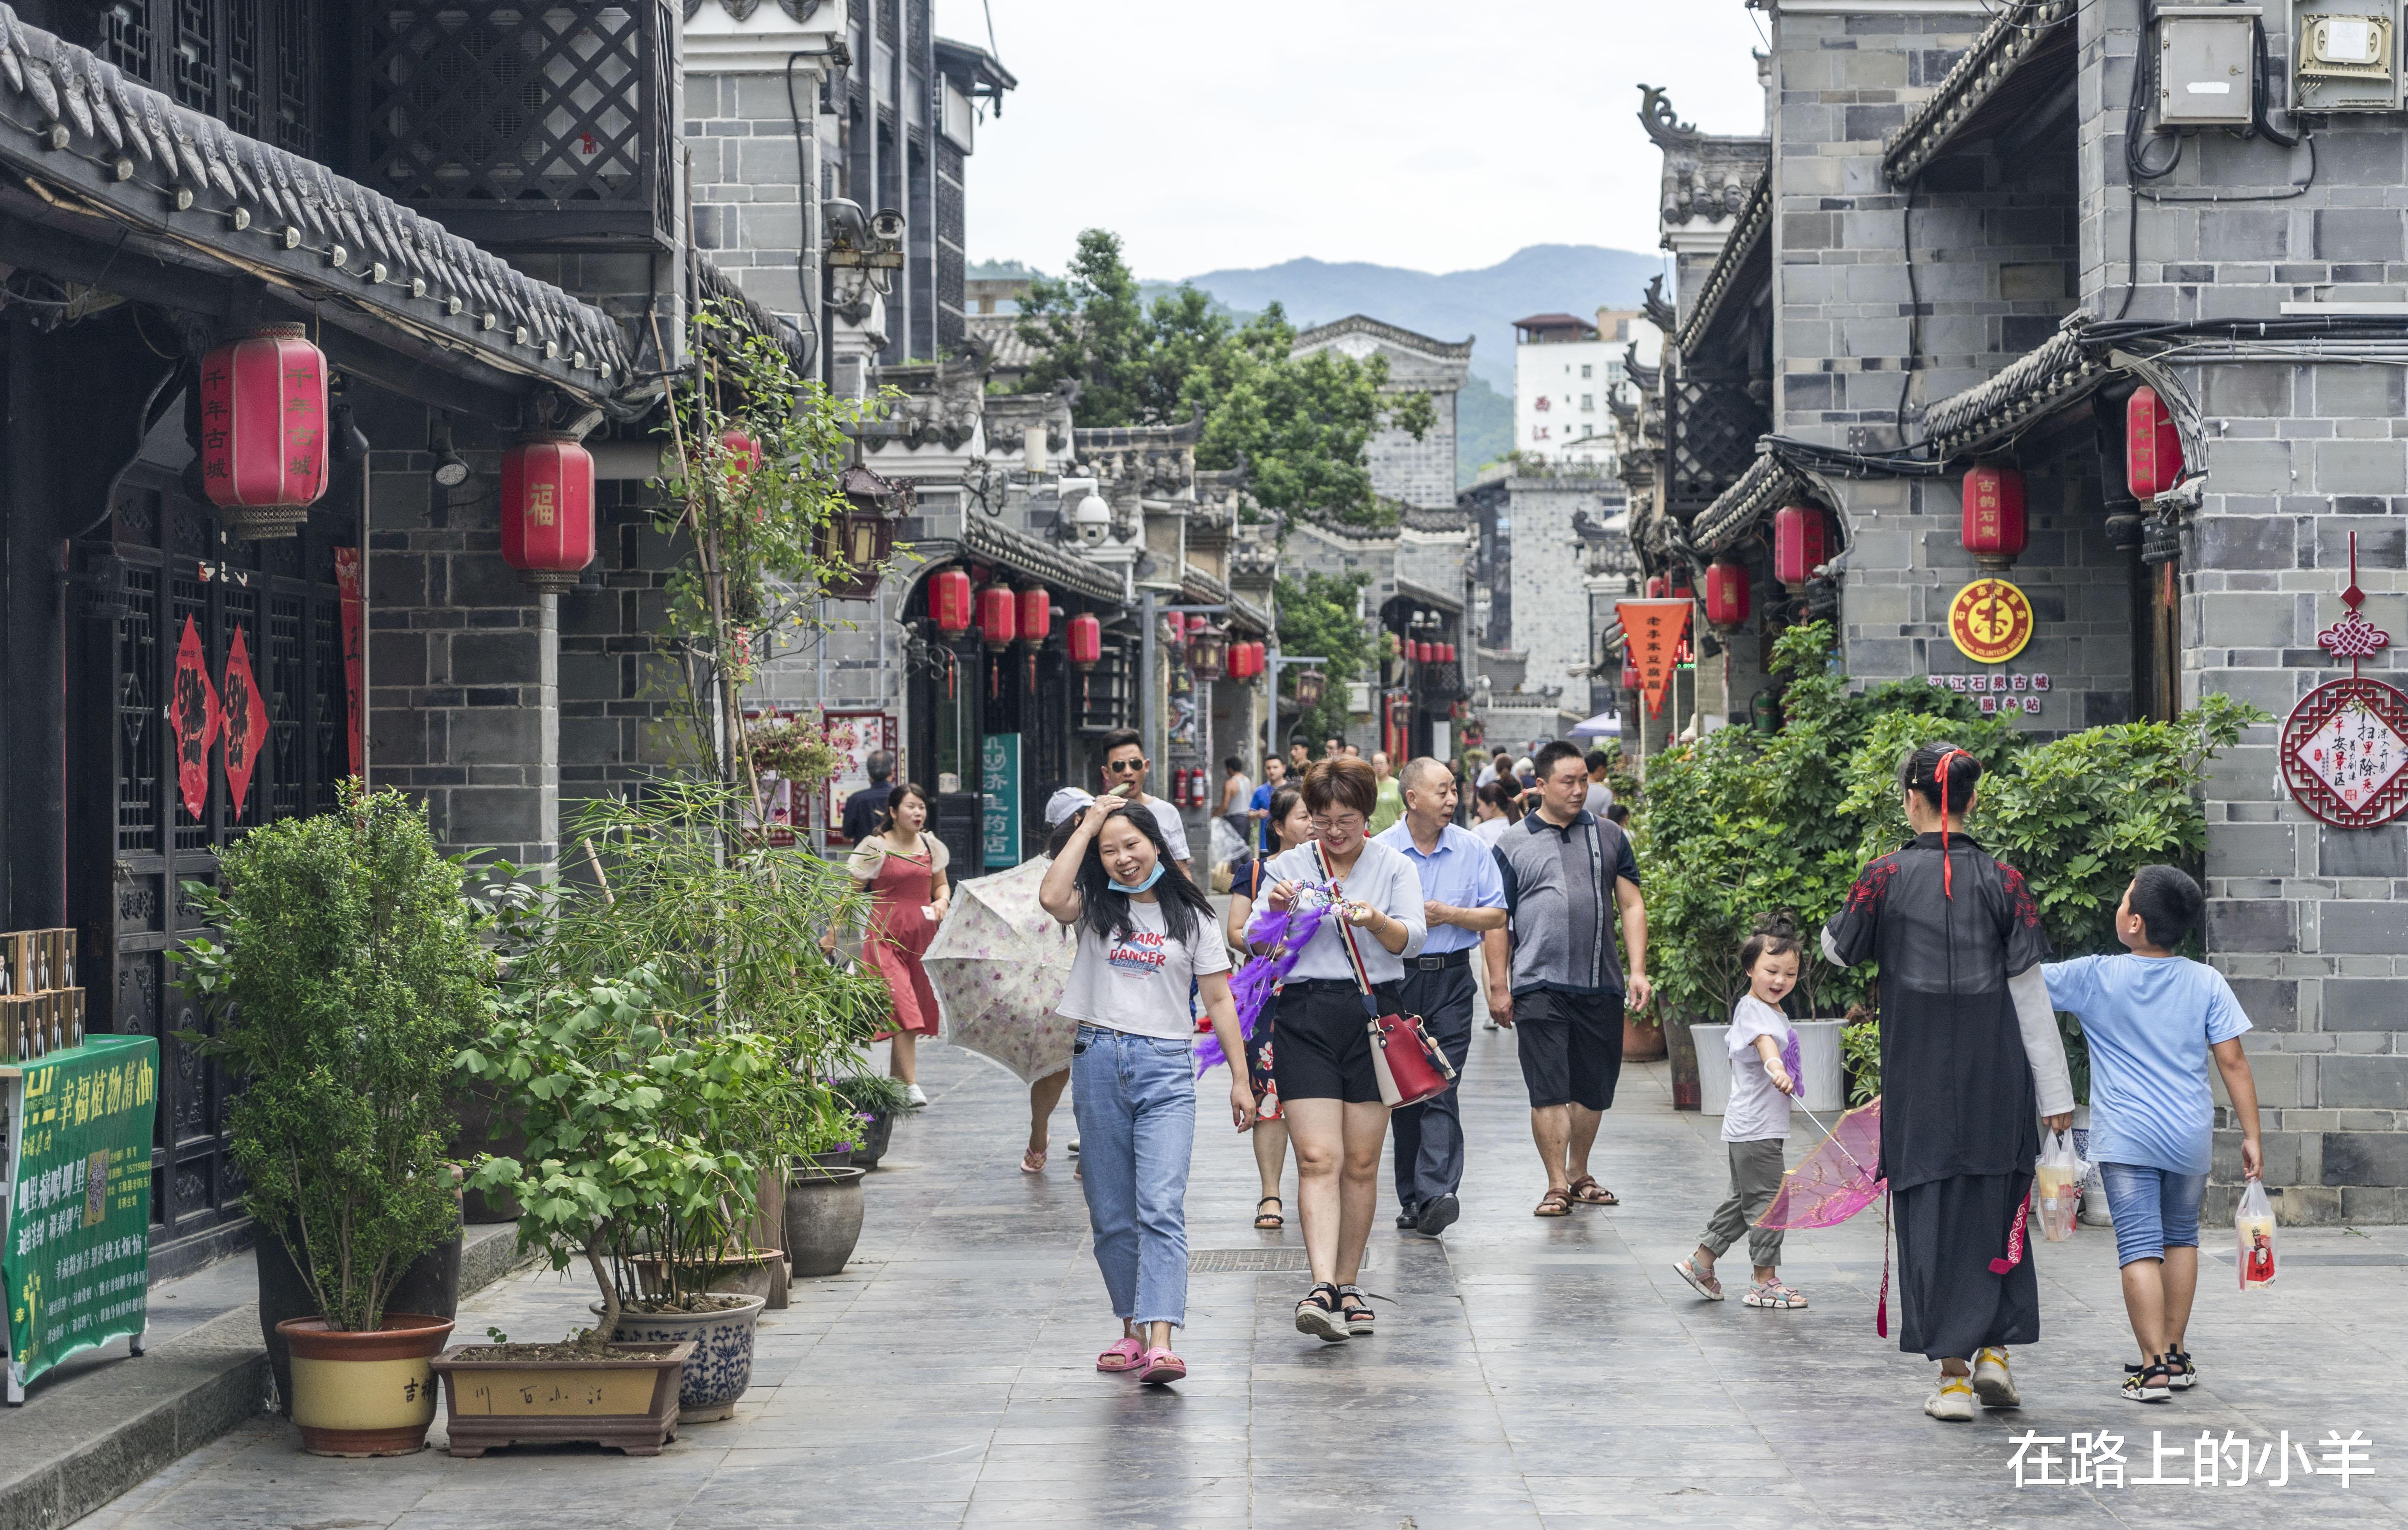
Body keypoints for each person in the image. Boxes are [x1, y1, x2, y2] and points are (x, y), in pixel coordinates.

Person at [1821, 742, 2072, 1422]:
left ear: (1911, 798)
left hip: (1920, 1084)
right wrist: (2057, 1102)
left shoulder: (1882, 877)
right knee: (1998, 1211)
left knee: (1930, 1220)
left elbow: (1838, 949)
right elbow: (2030, 998)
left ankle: (1955, 1380)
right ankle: (1995, 1352)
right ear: (1970, 800)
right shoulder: (2005, 881)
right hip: (2000, 1080)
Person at [1039, 799, 1256, 1386]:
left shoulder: (1194, 919)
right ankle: (1130, 1331)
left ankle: (1162, 1339)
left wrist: (1240, 1077)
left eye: (1131, 845)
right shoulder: (1093, 908)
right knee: (1110, 1213)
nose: (1123, 859)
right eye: (1110, 851)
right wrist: (1087, 826)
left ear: (1156, 844)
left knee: (1159, 1206)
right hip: (1097, 1059)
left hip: (1165, 1067)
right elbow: (1051, 897)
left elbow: (1218, 1001)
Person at [2042, 866, 2263, 1404]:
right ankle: (2177, 1353)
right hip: (2188, 1133)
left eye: (2122, 901)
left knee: (2139, 1245)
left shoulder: (2097, 975)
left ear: (2135, 922)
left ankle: (2152, 1367)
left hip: (2129, 1137)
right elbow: (2232, 1061)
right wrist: (2253, 1134)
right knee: (2181, 1236)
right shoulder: (2206, 980)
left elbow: (2023, 982)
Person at [1253, 757, 1427, 1341]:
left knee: (1359, 1162)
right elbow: (1255, 943)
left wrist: (1375, 919)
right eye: (1321, 820)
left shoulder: (1393, 866)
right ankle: (1321, 1285)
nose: (1333, 832)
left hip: (1373, 1015)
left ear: (1366, 814)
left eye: (1345, 819)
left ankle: (1349, 1283)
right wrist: (1276, 913)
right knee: (1317, 1158)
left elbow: (1411, 940)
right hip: (1304, 1015)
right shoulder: (1286, 867)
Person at [1488, 740, 1651, 1216]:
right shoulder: (1511, 844)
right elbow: (1498, 919)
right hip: (1538, 982)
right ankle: (1557, 1183)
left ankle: (1580, 1171)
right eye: (1568, 781)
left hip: (1600, 980)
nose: (1580, 789)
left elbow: (1632, 903)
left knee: (1593, 1088)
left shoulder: (1610, 836)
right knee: (1549, 1087)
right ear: (1539, 786)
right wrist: (1499, 984)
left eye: (1584, 780)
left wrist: (1637, 969)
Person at [1374, 758, 1506, 1237]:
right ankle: (1412, 1197)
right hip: (1396, 980)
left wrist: (1452, 914)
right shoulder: (1382, 851)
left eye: (1455, 790)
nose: (1453, 799)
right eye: (1442, 791)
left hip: (1451, 979)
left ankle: (1437, 1194)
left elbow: (1496, 915)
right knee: (1407, 1091)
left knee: (1441, 1083)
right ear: (1412, 798)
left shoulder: (1472, 849)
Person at [1673, 916, 1808, 1310]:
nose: (1780, 980)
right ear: (1750, 969)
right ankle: (1764, 1282)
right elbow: (1766, 1046)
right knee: (1770, 1201)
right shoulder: (1755, 1013)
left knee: (1744, 1201)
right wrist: (1777, 1069)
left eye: (1790, 973)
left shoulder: (1770, 1009)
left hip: (1750, 1127)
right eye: (1771, 970)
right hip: (1756, 1128)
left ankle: (1701, 1263)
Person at [1225, 784, 1313, 1230]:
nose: (1313, 823)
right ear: (1278, 826)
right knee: (1270, 1093)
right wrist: (1272, 945)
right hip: (1267, 996)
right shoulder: (1257, 872)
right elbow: (1235, 931)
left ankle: (1319, 1186)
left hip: (1319, 995)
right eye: (1302, 816)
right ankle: (1272, 1193)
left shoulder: (1335, 870)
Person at [842, 782, 950, 1108]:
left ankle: (895, 1087)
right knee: (904, 1008)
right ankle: (913, 1084)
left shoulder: (930, 846)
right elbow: (849, 892)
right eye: (911, 807)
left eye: (922, 807)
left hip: (921, 939)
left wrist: (943, 903)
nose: (918, 813)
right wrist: (837, 936)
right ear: (893, 811)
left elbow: (941, 886)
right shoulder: (875, 846)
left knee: (912, 1010)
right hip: (883, 938)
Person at [1018, 789, 1097, 1175]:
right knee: (1055, 1067)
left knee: (1090, 1066)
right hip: (1049, 981)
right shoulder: (1043, 871)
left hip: (1096, 979)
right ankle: (1039, 1134)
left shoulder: (1104, 857)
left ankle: (1091, 1147)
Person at [1095, 728, 1192, 880]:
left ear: (1146, 766)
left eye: (1135, 764)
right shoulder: (1097, 814)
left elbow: (1181, 869)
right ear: (1106, 773)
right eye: (1119, 766)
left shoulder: (1167, 812)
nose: (1128, 772)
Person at [838, 748, 894, 845]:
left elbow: (847, 835)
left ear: (869, 772)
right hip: (896, 857)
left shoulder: (856, 799)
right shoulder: (901, 797)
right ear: (891, 772)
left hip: (865, 857)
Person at [1246, 755, 1287, 853]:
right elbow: (1249, 815)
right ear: (1265, 770)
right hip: (1266, 845)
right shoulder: (1259, 791)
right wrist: (1258, 814)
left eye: (1275, 767)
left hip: (1289, 843)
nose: (1272, 771)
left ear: (1284, 769)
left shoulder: (1292, 790)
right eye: (1269, 768)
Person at [1218, 755, 1253, 851]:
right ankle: (1251, 866)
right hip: (1246, 819)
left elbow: (1225, 806)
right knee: (1244, 850)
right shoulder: (1247, 781)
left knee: (1235, 852)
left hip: (1235, 820)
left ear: (1230, 769)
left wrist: (1214, 814)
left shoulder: (1230, 783)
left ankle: (1241, 867)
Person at [1367, 751, 1405, 836]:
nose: (1379, 767)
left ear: (1389, 765)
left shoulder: (1397, 785)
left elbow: (1403, 810)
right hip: (1373, 832)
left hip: (1392, 832)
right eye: (1376, 764)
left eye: (1382, 763)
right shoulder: (1369, 785)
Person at [1583, 748, 1615, 819]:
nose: (1607, 772)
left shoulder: (1575, 789)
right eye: (1607, 768)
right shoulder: (1606, 794)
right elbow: (1607, 822)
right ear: (1600, 769)